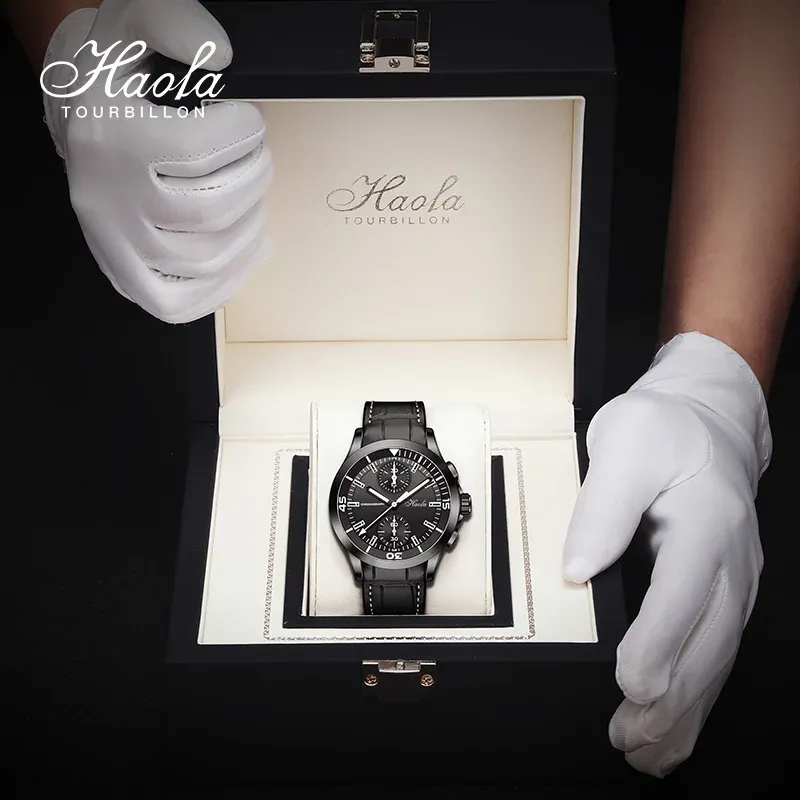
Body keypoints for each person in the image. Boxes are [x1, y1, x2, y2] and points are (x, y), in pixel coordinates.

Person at [4, 0, 799, 781]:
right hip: (146, 249)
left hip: (649, 251)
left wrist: (717, 374)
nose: (403, 509)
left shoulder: (409, 501)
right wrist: (83, 59)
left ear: (453, 509)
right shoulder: (398, 502)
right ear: (453, 509)